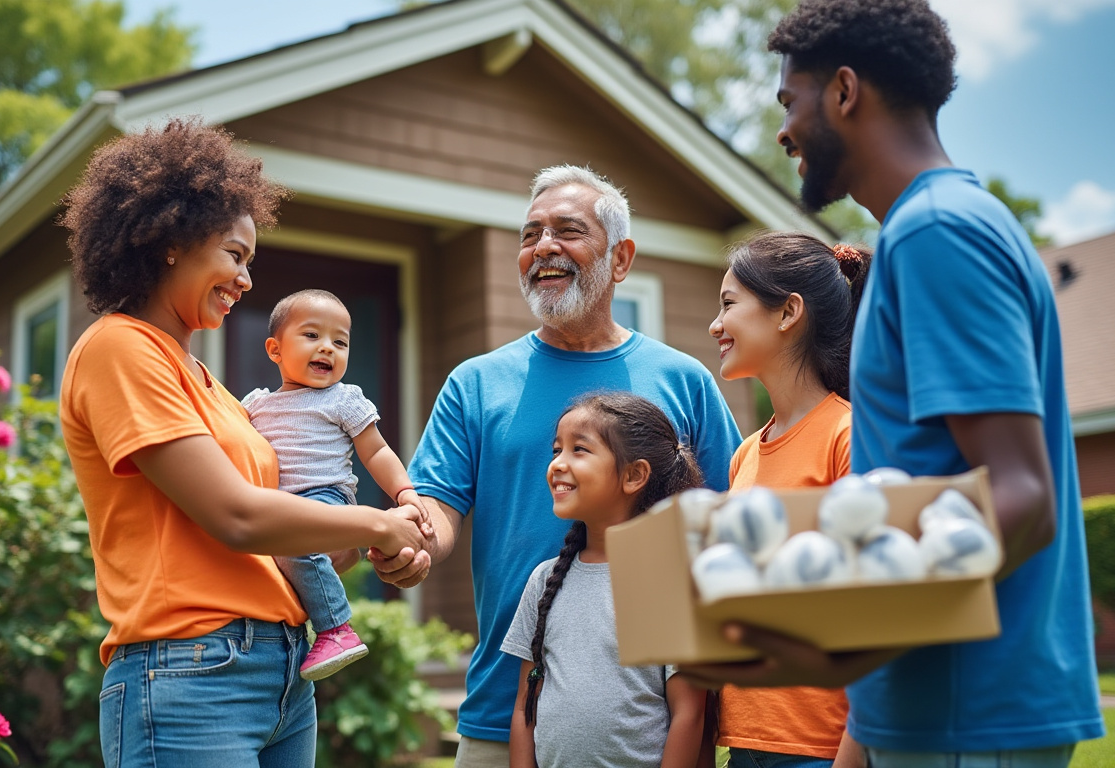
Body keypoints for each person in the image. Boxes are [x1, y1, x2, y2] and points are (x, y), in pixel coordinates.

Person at [679, 2, 1106, 766]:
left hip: (971, 711)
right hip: (939, 709)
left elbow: (1020, 494)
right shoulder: (931, 229)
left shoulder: (937, 233)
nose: (784, 132)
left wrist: (836, 643)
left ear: (845, 91)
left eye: (790, 102)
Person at [57, 118, 427, 767]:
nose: (247, 280)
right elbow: (235, 516)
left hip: (282, 670)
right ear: (173, 242)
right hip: (191, 673)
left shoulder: (220, 393)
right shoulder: (121, 349)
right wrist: (378, 517)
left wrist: (369, 542)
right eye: (235, 254)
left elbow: (280, 544)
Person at [370, 164, 744, 767]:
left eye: (568, 230)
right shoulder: (476, 383)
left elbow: (730, 517)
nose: (544, 246)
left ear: (620, 259)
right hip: (504, 713)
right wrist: (415, 545)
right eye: (530, 234)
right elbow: (437, 503)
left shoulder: (684, 381)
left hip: (652, 721)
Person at [707, 232, 871, 768]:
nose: (715, 325)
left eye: (729, 304)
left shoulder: (849, 438)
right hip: (747, 745)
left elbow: (880, 620)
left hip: (823, 752)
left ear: (788, 313)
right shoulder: (744, 456)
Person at [503, 392, 708, 768]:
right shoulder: (544, 580)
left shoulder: (670, 581)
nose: (557, 464)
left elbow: (689, 714)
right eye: (556, 450)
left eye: (578, 449)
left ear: (634, 475)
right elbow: (524, 707)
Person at [241, 288, 426, 681]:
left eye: (340, 342)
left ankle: (336, 629)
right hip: (280, 506)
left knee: (296, 542)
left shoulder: (343, 399)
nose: (327, 348)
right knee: (285, 550)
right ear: (275, 349)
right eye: (312, 336)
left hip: (327, 496)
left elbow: (376, 452)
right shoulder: (255, 405)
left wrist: (404, 492)